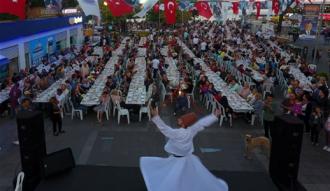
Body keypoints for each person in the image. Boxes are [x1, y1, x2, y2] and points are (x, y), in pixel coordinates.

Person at [140, 108, 228, 191]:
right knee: (186, 175)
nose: (178, 119)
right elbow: (202, 123)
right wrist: (214, 116)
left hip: (177, 160)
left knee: (175, 176)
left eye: (181, 119)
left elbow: (165, 129)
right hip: (187, 159)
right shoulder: (191, 130)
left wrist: (156, 117)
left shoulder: (177, 133)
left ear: (184, 122)